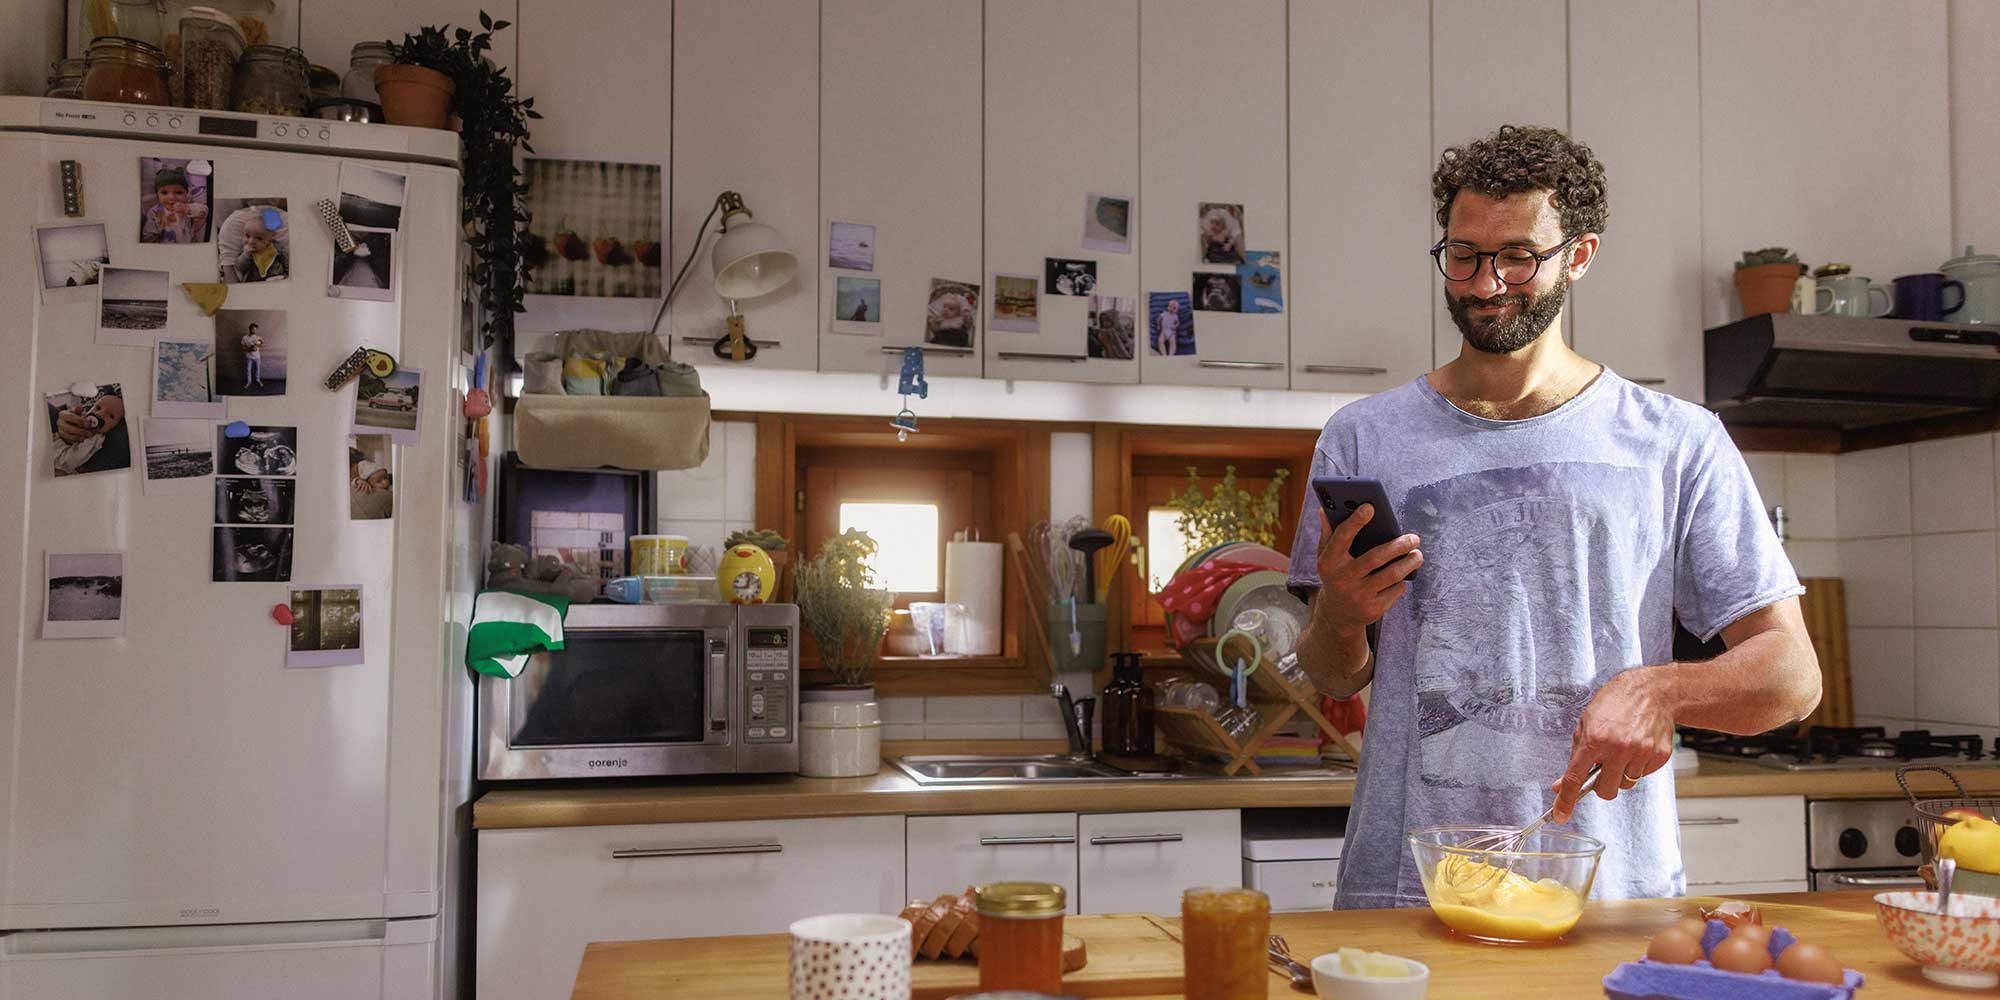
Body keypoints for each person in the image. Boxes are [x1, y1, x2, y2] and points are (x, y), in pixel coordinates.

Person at [1286, 124, 1821, 908]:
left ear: (1579, 255)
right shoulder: (1363, 438)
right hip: (1406, 893)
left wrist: (1661, 692)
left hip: (1608, 896)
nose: (1484, 282)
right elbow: (1335, 673)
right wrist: (1338, 613)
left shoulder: (1676, 443)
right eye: (1463, 254)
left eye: (1518, 257)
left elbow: (1793, 677)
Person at [51, 389, 128, 476]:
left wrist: (58, 441)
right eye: (98, 408)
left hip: (62, 458)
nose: (100, 414)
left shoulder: (95, 440)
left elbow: (70, 460)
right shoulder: (84, 417)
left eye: (111, 416)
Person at [142, 166, 209, 244]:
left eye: (179, 192)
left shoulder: (189, 205)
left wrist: (187, 208)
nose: (172, 197)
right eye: (164, 193)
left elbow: (205, 211)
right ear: (157, 195)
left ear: (186, 194)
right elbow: (148, 234)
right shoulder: (155, 212)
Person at [231, 210, 288, 282]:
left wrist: (288, 273)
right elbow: (239, 267)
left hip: (276, 276)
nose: (251, 241)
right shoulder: (245, 250)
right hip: (255, 282)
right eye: (247, 236)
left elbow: (285, 259)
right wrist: (246, 255)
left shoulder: (275, 247)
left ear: (269, 240)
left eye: (259, 238)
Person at [241, 323, 265, 388]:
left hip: (257, 357)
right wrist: (250, 349)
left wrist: (257, 345)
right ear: (249, 329)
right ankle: (249, 382)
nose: (254, 331)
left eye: (255, 329)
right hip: (249, 357)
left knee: (258, 369)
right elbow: (243, 347)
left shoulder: (258, 337)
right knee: (248, 370)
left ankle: (258, 380)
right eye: (253, 329)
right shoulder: (245, 337)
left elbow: (263, 344)